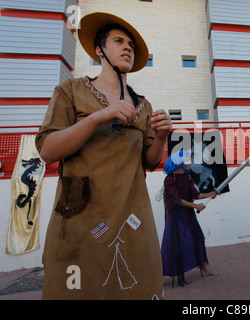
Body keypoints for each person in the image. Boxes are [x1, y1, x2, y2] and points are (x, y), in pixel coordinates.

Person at [35, 12, 172, 299]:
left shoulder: (143, 106)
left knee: (136, 285)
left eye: (131, 45)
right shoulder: (70, 91)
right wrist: (98, 117)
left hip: (132, 219)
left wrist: (161, 137)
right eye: (119, 41)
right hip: (82, 218)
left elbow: (149, 161)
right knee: (77, 290)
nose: (128, 48)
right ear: (100, 50)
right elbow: (48, 150)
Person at [160, 150, 218, 287]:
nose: (189, 161)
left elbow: (195, 194)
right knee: (176, 243)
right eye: (186, 160)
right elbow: (177, 200)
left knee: (198, 238)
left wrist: (209, 195)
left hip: (188, 214)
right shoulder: (169, 179)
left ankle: (204, 268)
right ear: (178, 163)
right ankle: (164, 272)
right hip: (176, 216)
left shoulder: (188, 177)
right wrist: (195, 206)